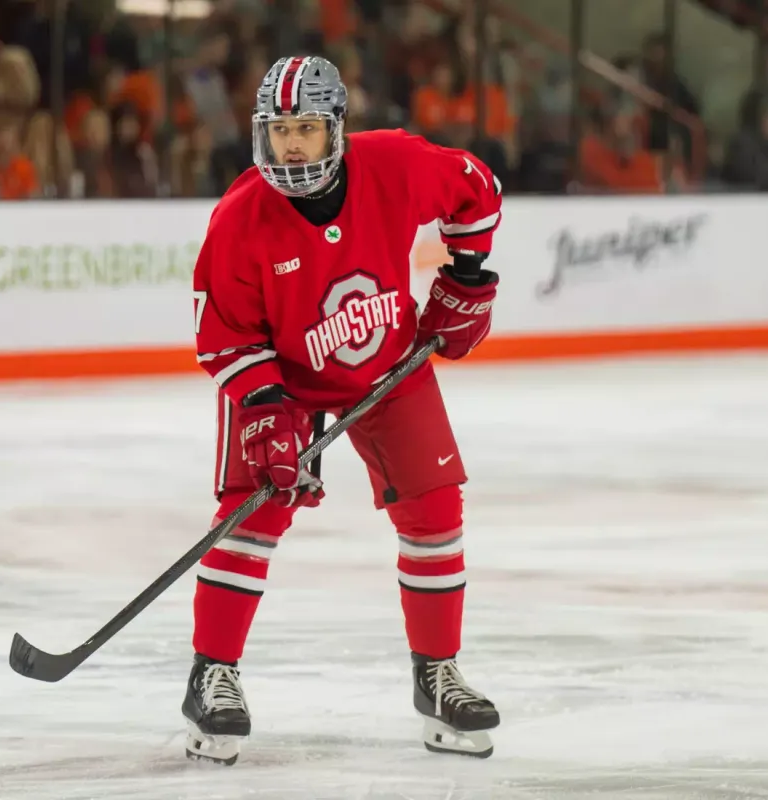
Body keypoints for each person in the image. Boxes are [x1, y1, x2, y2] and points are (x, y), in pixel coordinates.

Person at [185, 55, 503, 766]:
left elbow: (477, 191)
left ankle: (437, 674)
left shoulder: (392, 165)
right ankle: (213, 674)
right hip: (282, 377)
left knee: (435, 505)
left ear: (335, 129)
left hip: (385, 366)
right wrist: (267, 410)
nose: (291, 145)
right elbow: (224, 337)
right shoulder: (239, 218)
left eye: (305, 128)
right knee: (253, 510)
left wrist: (467, 278)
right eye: (279, 130)